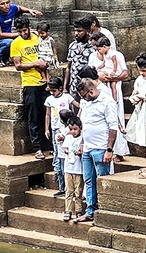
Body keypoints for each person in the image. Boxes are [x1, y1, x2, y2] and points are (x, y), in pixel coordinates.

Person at [75, 77, 119, 222]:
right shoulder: (85, 102)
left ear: (92, 91)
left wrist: (109, 149)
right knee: (89, 180)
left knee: (102, 179)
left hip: (101, 148)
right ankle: (90, 211)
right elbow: (84, 124)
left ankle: (104, 210)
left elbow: (113, 127)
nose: (83, 99)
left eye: (84, 95)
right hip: (87, 147)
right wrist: (81, 143)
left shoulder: (107, 102)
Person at [10, 17, 51, 160]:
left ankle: (49, 145)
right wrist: (36, 64)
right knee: (33, 116)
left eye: (24, 30)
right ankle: (37, 148)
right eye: (20, 31)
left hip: (44, 82)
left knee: (48, 113)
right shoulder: (16, 44)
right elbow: (18, 65)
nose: (23, 33)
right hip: (29, 83)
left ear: (29, 27)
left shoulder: (38, 37)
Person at [89, 34, 130, 159]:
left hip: (113, 85)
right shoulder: (94, 57)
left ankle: (119, 151)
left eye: (98, 47)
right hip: (100, 89)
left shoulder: (116, 55)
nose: (97, 50)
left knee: (116, 117)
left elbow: (125, 73)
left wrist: (112, 77)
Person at [0, 0, 41, 67]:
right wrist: (19, 34)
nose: (6, 6)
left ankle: (7, 59)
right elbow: (0, 35)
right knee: (10, 42)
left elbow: (19, 8)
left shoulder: (11, 8)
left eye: (7, 3)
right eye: (2, 4)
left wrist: (30, 10)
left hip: (7, 38)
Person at [44, 76, 74, 197]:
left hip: (68, 128)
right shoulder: (49, 99)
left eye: (54, 91)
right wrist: (47, 128)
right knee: (57, 154)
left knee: (63, 157)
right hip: (56, 128)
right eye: (50, 91)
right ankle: (61, 183)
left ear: (60, 88)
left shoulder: (67, 97)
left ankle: (65, 185)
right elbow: (47, 114)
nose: (52, 93)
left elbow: (78, 105)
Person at [61, 116, 85, 221]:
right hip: (68, 168)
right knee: (69, 190)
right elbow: (65, 148)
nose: (73, 131)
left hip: (78, 169)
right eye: (71, 129)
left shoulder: (83, 138)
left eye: (75, 129)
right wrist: (68, 151)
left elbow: (83, 149)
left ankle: (79, 210)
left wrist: (79, 152)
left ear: (80, 128)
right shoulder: (68, 137)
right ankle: (68, 210)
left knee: (78, 191)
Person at [65, 16, 95, 100]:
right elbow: (68, 67)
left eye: (79, 31)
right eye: (75, 31)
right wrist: (65, 87)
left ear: (88, 31)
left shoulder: (94, 48)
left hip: (89, 89)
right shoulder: (72, 46)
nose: (76, 34)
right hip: (74, 88)